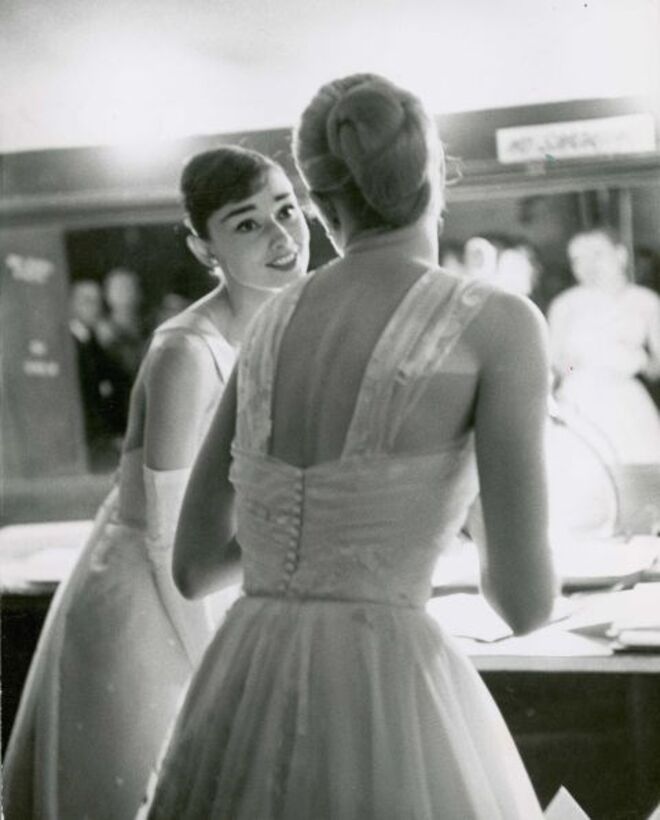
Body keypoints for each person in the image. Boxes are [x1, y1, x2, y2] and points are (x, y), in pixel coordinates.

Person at [142, 75, 555, 819]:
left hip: (246, 677)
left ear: (321, 201)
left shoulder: (268, 324)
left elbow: (197, 565)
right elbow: (525, 605)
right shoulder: (501, 323)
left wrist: (315, 542)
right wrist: (407, 527)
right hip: (384, 683)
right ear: (433, 171)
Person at [3, 146, 310, 820]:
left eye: (286, 209)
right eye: (248, 224)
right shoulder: (185, 352)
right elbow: (171, 534)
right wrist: (218, 668)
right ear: (206, 251)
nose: (283, 237)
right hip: (150, 598)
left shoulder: (288, 328)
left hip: (214, 578)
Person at [548, 226, 660, 464]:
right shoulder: (565, 304)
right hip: (579, 399)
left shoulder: (646, 302)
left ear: (621, 255)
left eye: (597, 254)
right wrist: (570, 366)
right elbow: (556, 370)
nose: (589, 265)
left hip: (627, 402)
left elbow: (655, 370)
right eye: (578, 259)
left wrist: (637, 357)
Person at [69, 278, 132, 469]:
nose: (95, 308)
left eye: (98, 301)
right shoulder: (69, 346)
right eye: (87, 301)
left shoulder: (95, 344)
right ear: (70, 304)